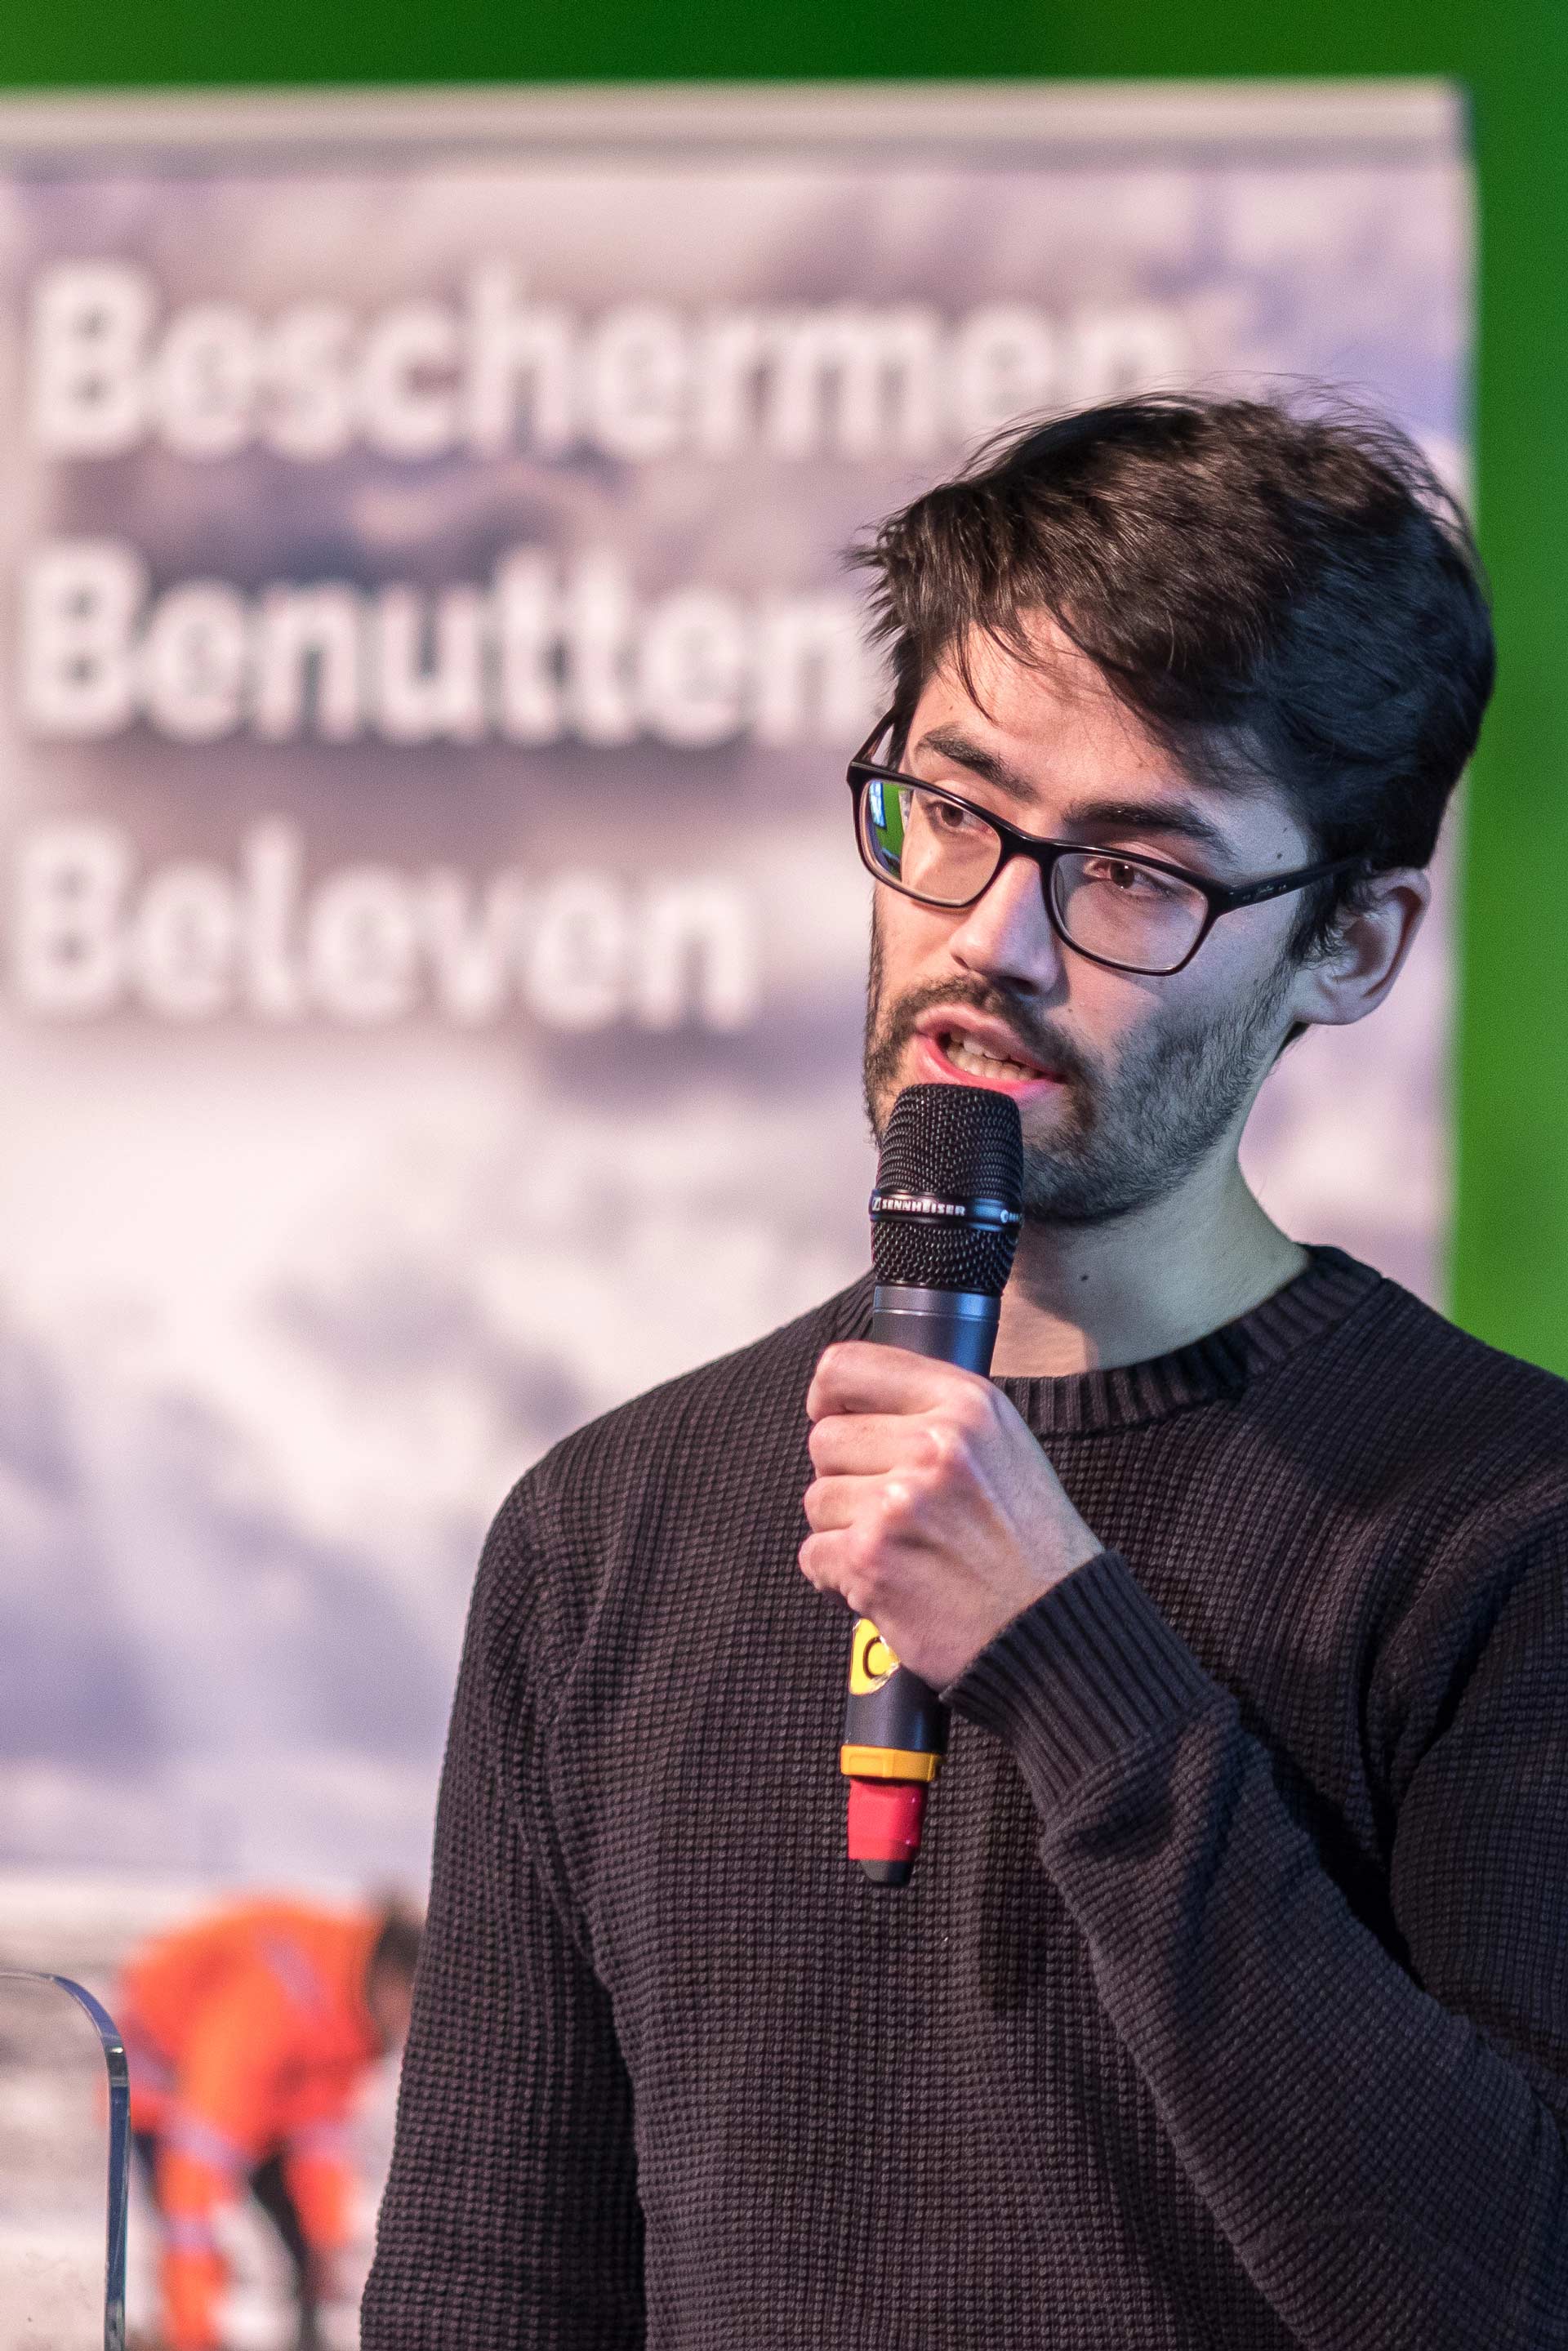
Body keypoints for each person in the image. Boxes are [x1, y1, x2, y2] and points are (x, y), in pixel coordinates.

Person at [363, 395, 1568, 2350]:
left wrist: (1067, 1653)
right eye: (952, 810)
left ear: (1349, 945)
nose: (989, 936)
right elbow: (487, 2288)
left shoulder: (1502, 1529)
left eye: (1132, 872)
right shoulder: (605, 1533)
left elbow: (1499, 2290)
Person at [118, 1891, 421, 2351]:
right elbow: (192, 2183)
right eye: (416, 2005)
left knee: (307, 2239)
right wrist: (194, 2336)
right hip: (166, 2092)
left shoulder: (351, 2023)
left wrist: (326, 2245)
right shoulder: (273, 2004)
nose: (417, 2029)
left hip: (256, 2098)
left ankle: (307, 2334)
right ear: (393, 1981)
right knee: (185, 2231)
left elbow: (321, 2141)